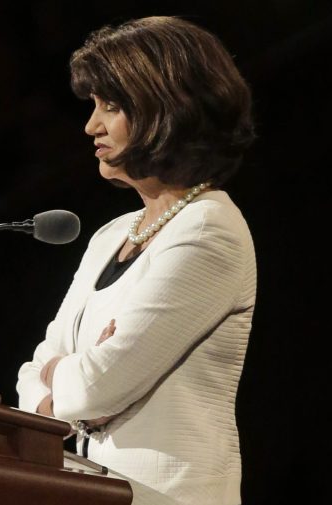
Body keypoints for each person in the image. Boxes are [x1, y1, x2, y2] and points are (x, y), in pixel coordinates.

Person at [17, 16, 256, 505]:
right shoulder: (111, 235)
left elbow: (94, 388)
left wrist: (75, 386)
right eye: (93, 106)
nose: (91, 126)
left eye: (112, 106)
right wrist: (70, 379)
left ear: (167, 108)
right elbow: (32, 370)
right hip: (84, 490)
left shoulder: (209, 231)